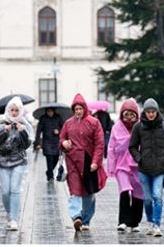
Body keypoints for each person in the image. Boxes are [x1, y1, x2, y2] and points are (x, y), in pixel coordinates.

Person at [129, 98, 164, 237]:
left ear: (157, 111)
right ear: (144, 112)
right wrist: (139, 158)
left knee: (157, 196)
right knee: (148, 199)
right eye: (148, 112)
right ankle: (150, 222)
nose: (151, 114)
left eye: (153, 111)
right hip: (144, 169)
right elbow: (132, 146)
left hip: (159, 169)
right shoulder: (138, 127)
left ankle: (156, 225)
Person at [60, 93, 106, 233]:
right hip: (72, 161)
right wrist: (64, 143)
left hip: (88, 162)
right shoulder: (68, 123)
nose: (78, 111)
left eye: (80, 108)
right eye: (76, 109)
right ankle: (76, 217)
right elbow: (62, 139)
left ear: (84, 108)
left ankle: (86, 220)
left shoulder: (94, 122)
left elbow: (99, 144)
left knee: (88, 193)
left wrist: (96, 162)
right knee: (75, 191)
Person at [0, 97, 34, 231]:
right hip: (3, 161)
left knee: (15, 189)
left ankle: (14, 218)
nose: (14, 113)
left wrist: (23, 132)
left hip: (19, 161)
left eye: (16, 110)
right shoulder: (0, 121)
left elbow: (27, 145)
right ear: (8, 110)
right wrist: (5, 130)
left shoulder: (23, 123)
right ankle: (9, 213)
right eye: (12, 110)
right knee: (5, 191)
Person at [107, 98, 143, 233]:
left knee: (138, 194)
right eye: (126, 114)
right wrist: (111, 167)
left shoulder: (140, 127)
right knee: (124, 191)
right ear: (122, 114)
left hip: (137, 166)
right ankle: (123, 221)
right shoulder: (116, 128)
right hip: (121, 166)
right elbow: (111, 148)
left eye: (132, 114)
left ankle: (135, 222)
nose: (129, 117)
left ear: (136, 115)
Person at [34, 107, 65, 182]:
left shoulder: (58, 117)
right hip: (47, 142)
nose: (49, 113)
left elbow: (64, 128)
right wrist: (37, 142)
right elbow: (38, 131)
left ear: (54, 111)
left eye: (51, 111)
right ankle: (50, 177)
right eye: (48, 111)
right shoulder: (43, 118)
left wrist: (59, 131)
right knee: (49, 159)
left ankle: (49, 171)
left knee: (56, 158)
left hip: (57, 142)